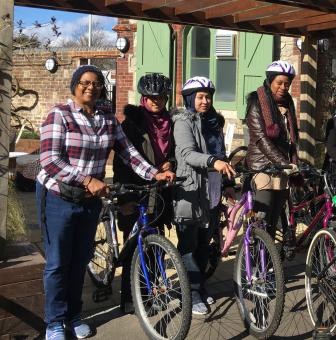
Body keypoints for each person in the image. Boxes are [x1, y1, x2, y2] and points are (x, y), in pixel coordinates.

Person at [36, 65, 175, 340]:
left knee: (80, 260)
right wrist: (87, 180)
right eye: (85, 82)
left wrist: (155, 172)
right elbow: (50, 160)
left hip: (90, 199)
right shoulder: (59, 115)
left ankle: (74, 316)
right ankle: (54, 321)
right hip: (58, 196)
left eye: (97, 83)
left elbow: (129, 153)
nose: (91, 87)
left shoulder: (106, 118)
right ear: (75, 86)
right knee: (57, 262)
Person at [172, 76, 236, 315]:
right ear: (190, 98)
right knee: (188, 245)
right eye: (199, 97)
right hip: (190, 190)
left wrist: (228, 182)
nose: (205, 101)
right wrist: (213, 161)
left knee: (203, 244)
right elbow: (187, 153)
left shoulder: (214, 122)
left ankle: (199, 286)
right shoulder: (182, 121)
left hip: (212, 191)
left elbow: (223, 153)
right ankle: (190, 292)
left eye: (208, 96)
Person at [112, 73, 175, 313]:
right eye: (151, 97)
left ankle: (152, 292)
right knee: (133, 247)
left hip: (159, 190)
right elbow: (122, 162)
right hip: (134, 190)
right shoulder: (131, 124)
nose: (156, 101)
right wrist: (124, 199)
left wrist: (171, 163)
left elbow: (174, 152)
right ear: (143, 98)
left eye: (160, 97)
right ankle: (130, 298)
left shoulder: (170, 121)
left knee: (156, 243)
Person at [245, 60, 299, 239]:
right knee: (262, 218)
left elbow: (292, 139)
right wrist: (285, 163)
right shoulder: (257, 101)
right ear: (270, 81)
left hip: (282, 168)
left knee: (275, 217)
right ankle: (252, 259)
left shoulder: (288, 103)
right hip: (263, 167)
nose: (283, 87)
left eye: (287, 84)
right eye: (279, 83)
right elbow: (260, 138)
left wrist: (293, 162)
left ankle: (268, 259)